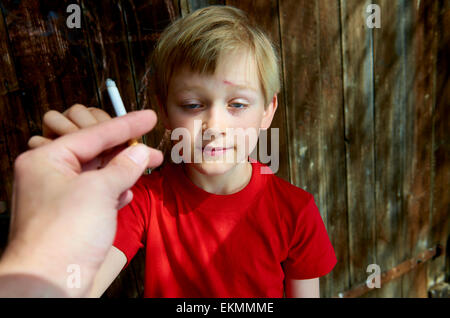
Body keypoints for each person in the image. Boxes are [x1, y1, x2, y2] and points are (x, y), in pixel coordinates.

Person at [26, 6, 337, 297]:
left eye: (238, 105)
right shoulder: (141, 202)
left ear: (268, 111)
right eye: (192, 105)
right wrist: (64, 217)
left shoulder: (296, 212)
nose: (214, 126)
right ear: (164, 111)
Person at [0, 110, 163, 297]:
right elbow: (73, 287)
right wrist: (45, 251)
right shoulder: (141, 198)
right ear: (165, 112)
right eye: (192, 105)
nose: (206, 127)